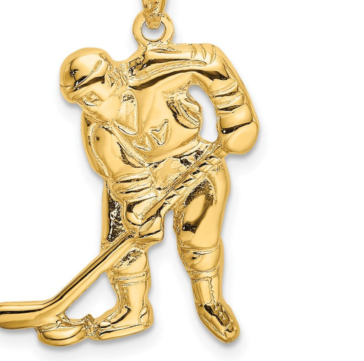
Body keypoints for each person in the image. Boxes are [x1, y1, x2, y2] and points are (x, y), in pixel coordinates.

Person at [59, 41, 258, 343]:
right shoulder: (96, 130)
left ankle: (209, 301)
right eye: (81, 102)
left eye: (92, 97)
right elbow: (122, 176)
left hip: (196, 160)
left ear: (111, 80)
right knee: (122, 242)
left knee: (197, 236)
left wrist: (236, 115)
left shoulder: (155, 69)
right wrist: (139, 207)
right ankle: (133, 310)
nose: (89, 108)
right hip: (141, 177)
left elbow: (209, 60)